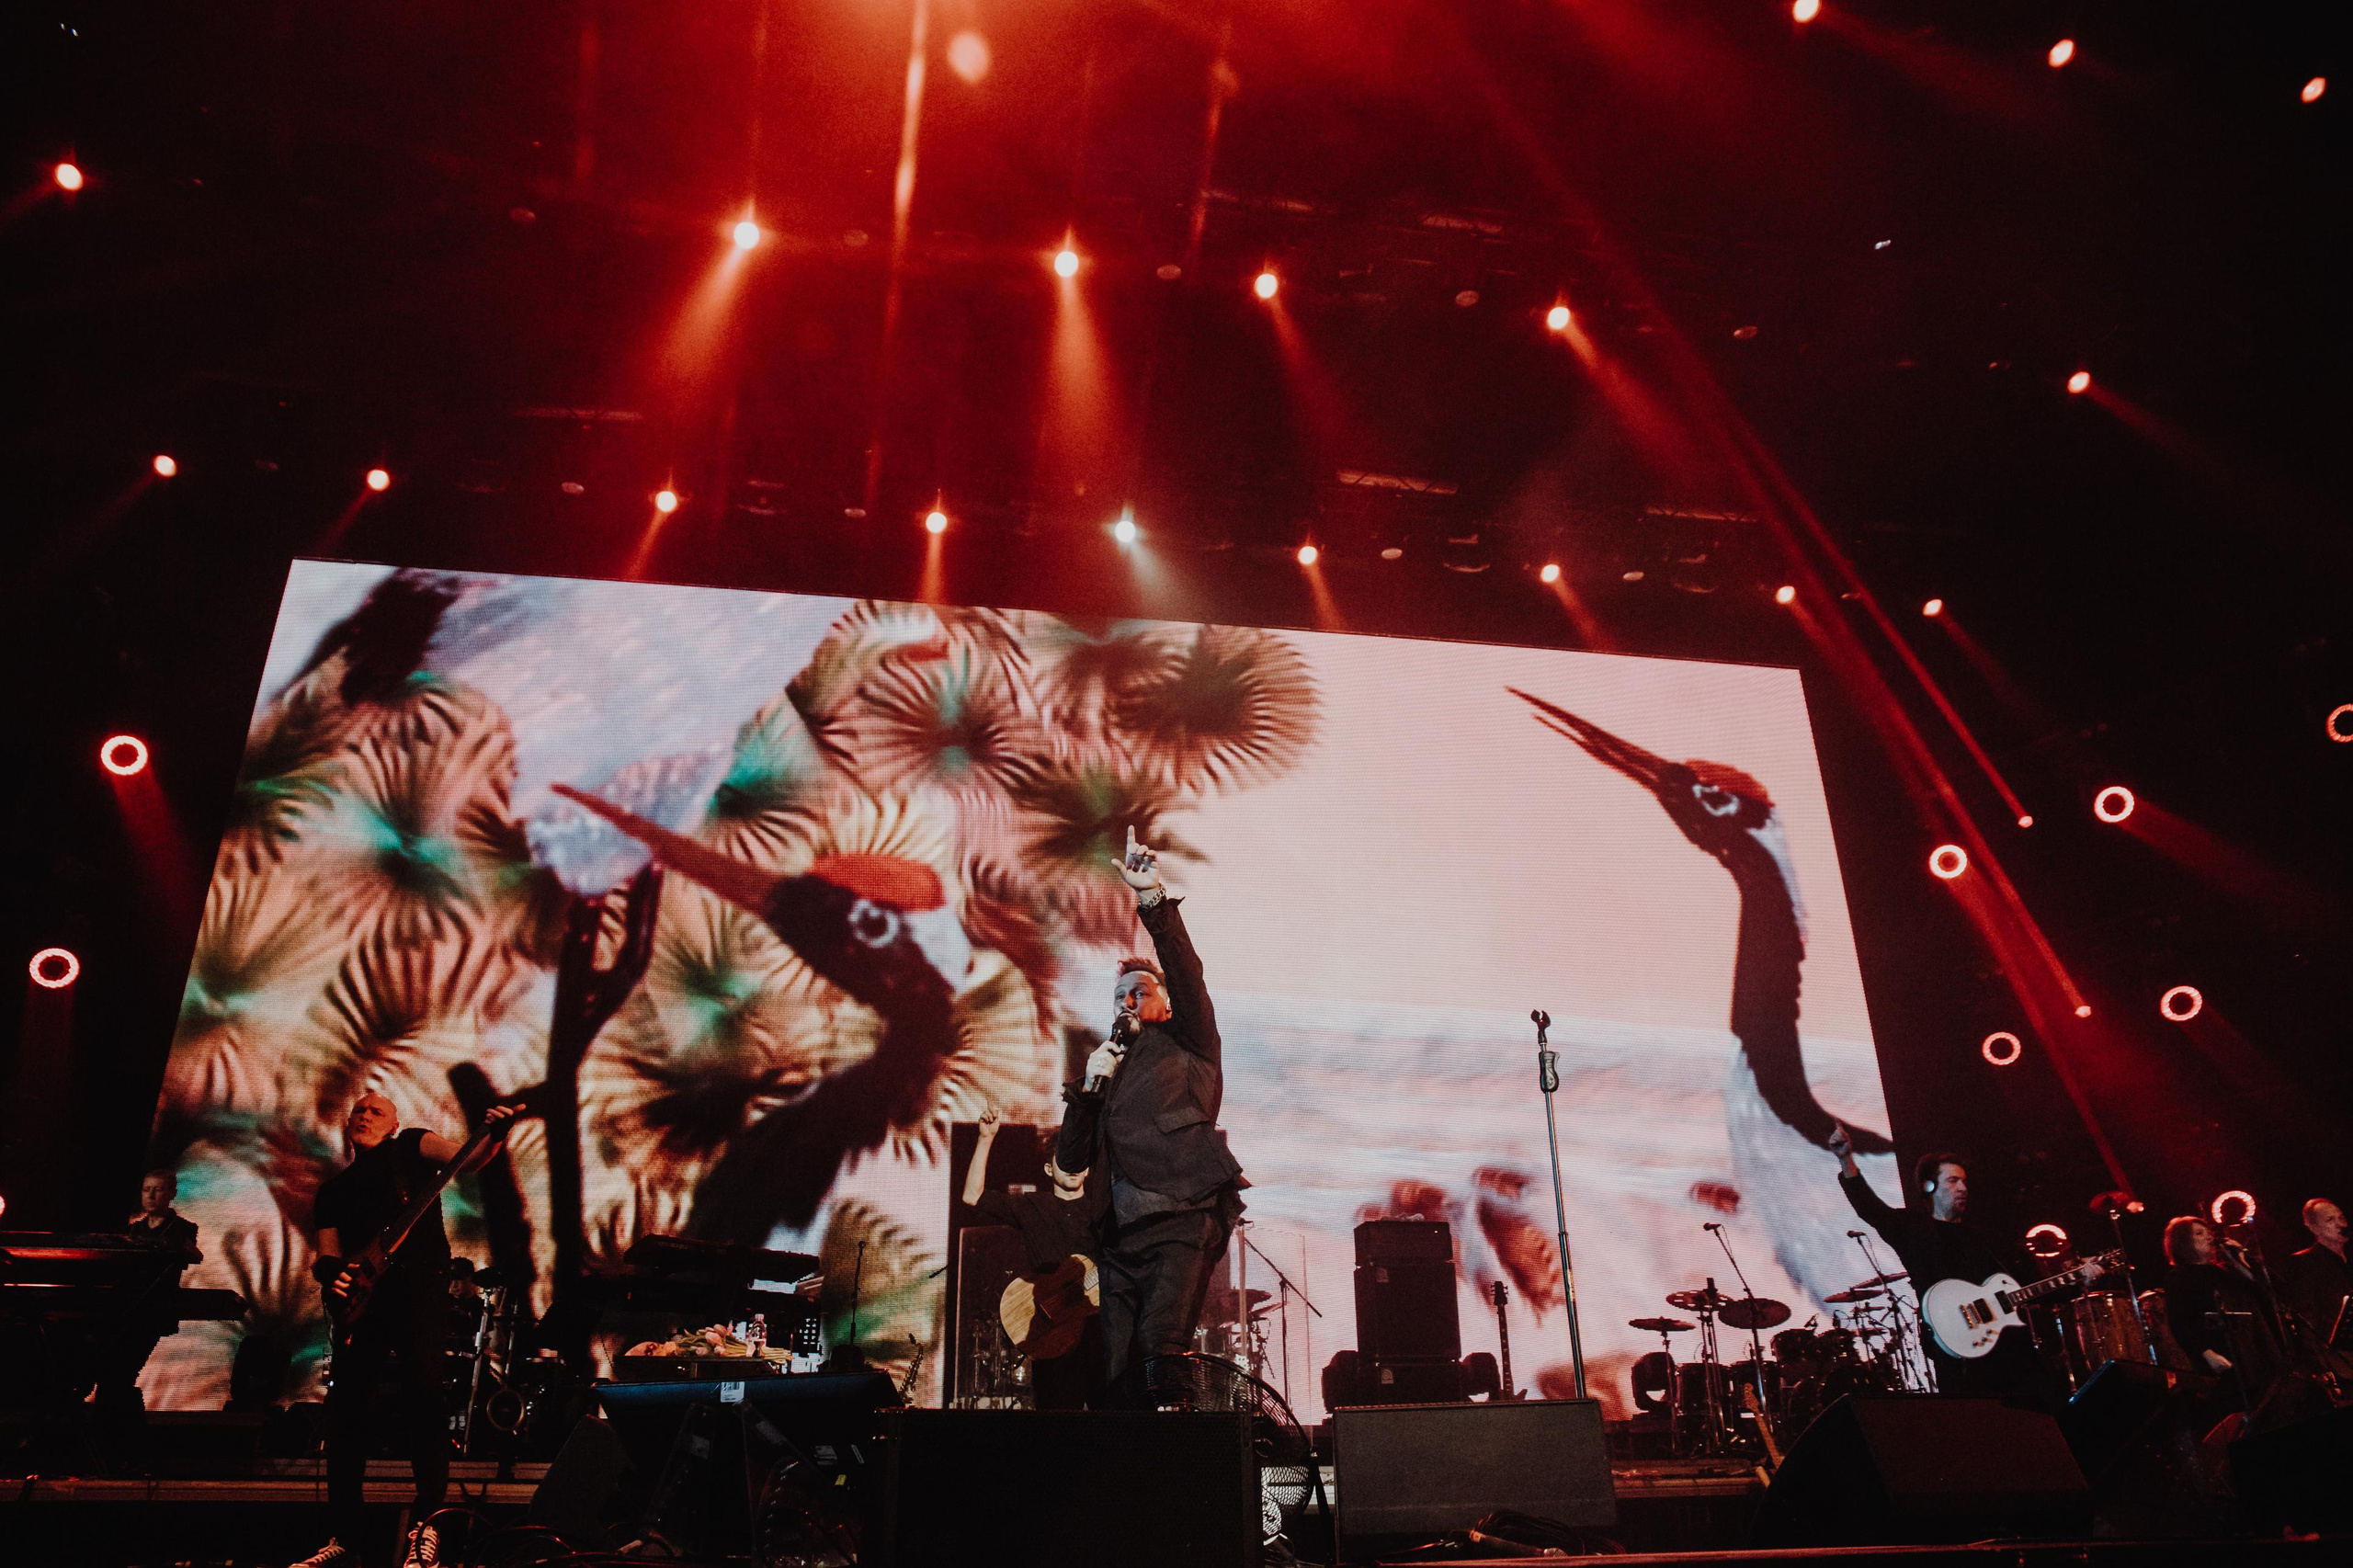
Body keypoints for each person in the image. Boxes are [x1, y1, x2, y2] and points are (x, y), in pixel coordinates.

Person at [1057, 827, 1244, 1407]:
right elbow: (1069, 1165)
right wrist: (1086, 1091)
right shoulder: (1107, 1070)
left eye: (1140, 992)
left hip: (1181, 1222)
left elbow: (1187, 974)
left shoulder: (1190, 1042)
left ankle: (1175, 1472)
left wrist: (1153, 902)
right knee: (1115, 1373)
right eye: (1119, 997)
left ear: (1163, 1003)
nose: (1129, 1002)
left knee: (1160, 1349)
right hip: (1119, 1243)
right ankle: (1124, 1485)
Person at [293, 1092, 515, 1568]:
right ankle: (342, 1536)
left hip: (418, 1290)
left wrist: (494, 1131)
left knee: (423, 1397)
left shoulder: (411, 1147)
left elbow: (470, 1157)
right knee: (349, 1409)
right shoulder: (333, 1191)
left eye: (376, 1111)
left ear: (393, 1125)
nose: (365, 1116)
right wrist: (332, 1276)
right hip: (365, 1304)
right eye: (358, 1111)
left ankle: (426, 1526)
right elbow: (327, 1256)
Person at [1827, 1128, 2083, 1401]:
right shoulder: (1912, 1229)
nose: (1963, 1188)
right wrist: (1846, 1159)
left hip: (2012, 1356)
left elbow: (2032, 1287)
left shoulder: (1986, 1240)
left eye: (1964, 1182)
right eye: (1952, 1181)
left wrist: (2078, 1279)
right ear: (1929, 1186)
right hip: (1960, 1358)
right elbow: (1870, 1208)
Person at [956, 1104, 1109, 1409]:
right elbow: (973, 1196)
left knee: (1105, 1422)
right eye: (1065, 1159)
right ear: (1049, 1168)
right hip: (1047, 1334)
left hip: (1096, 1337)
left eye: (1079, 1158)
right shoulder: (1032, 1206)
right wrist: (985, 1139)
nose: (1074, 1166)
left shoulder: (1102, 1212)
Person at [2161, 1213, 2282, 1412]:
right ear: (2183, 1242)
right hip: (2221, 1354)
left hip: (2252, 1352)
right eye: (2200, 1234)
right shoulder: (2179, 1277)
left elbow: (2264, 1290)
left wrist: (2241, 1257)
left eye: (2208, 1232)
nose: (2209, 1237)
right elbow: (2179, 1321)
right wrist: (2205, 1353)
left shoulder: (2224, 1270)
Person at [2280, 1199, 2352, 1356]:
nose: (2340, 1224)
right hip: (2336, 1356)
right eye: (2330, 1220)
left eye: (2341, 1218)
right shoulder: (2305, 1263)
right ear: (2313, 1227)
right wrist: (2319, 1363)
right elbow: (2305, 1319)